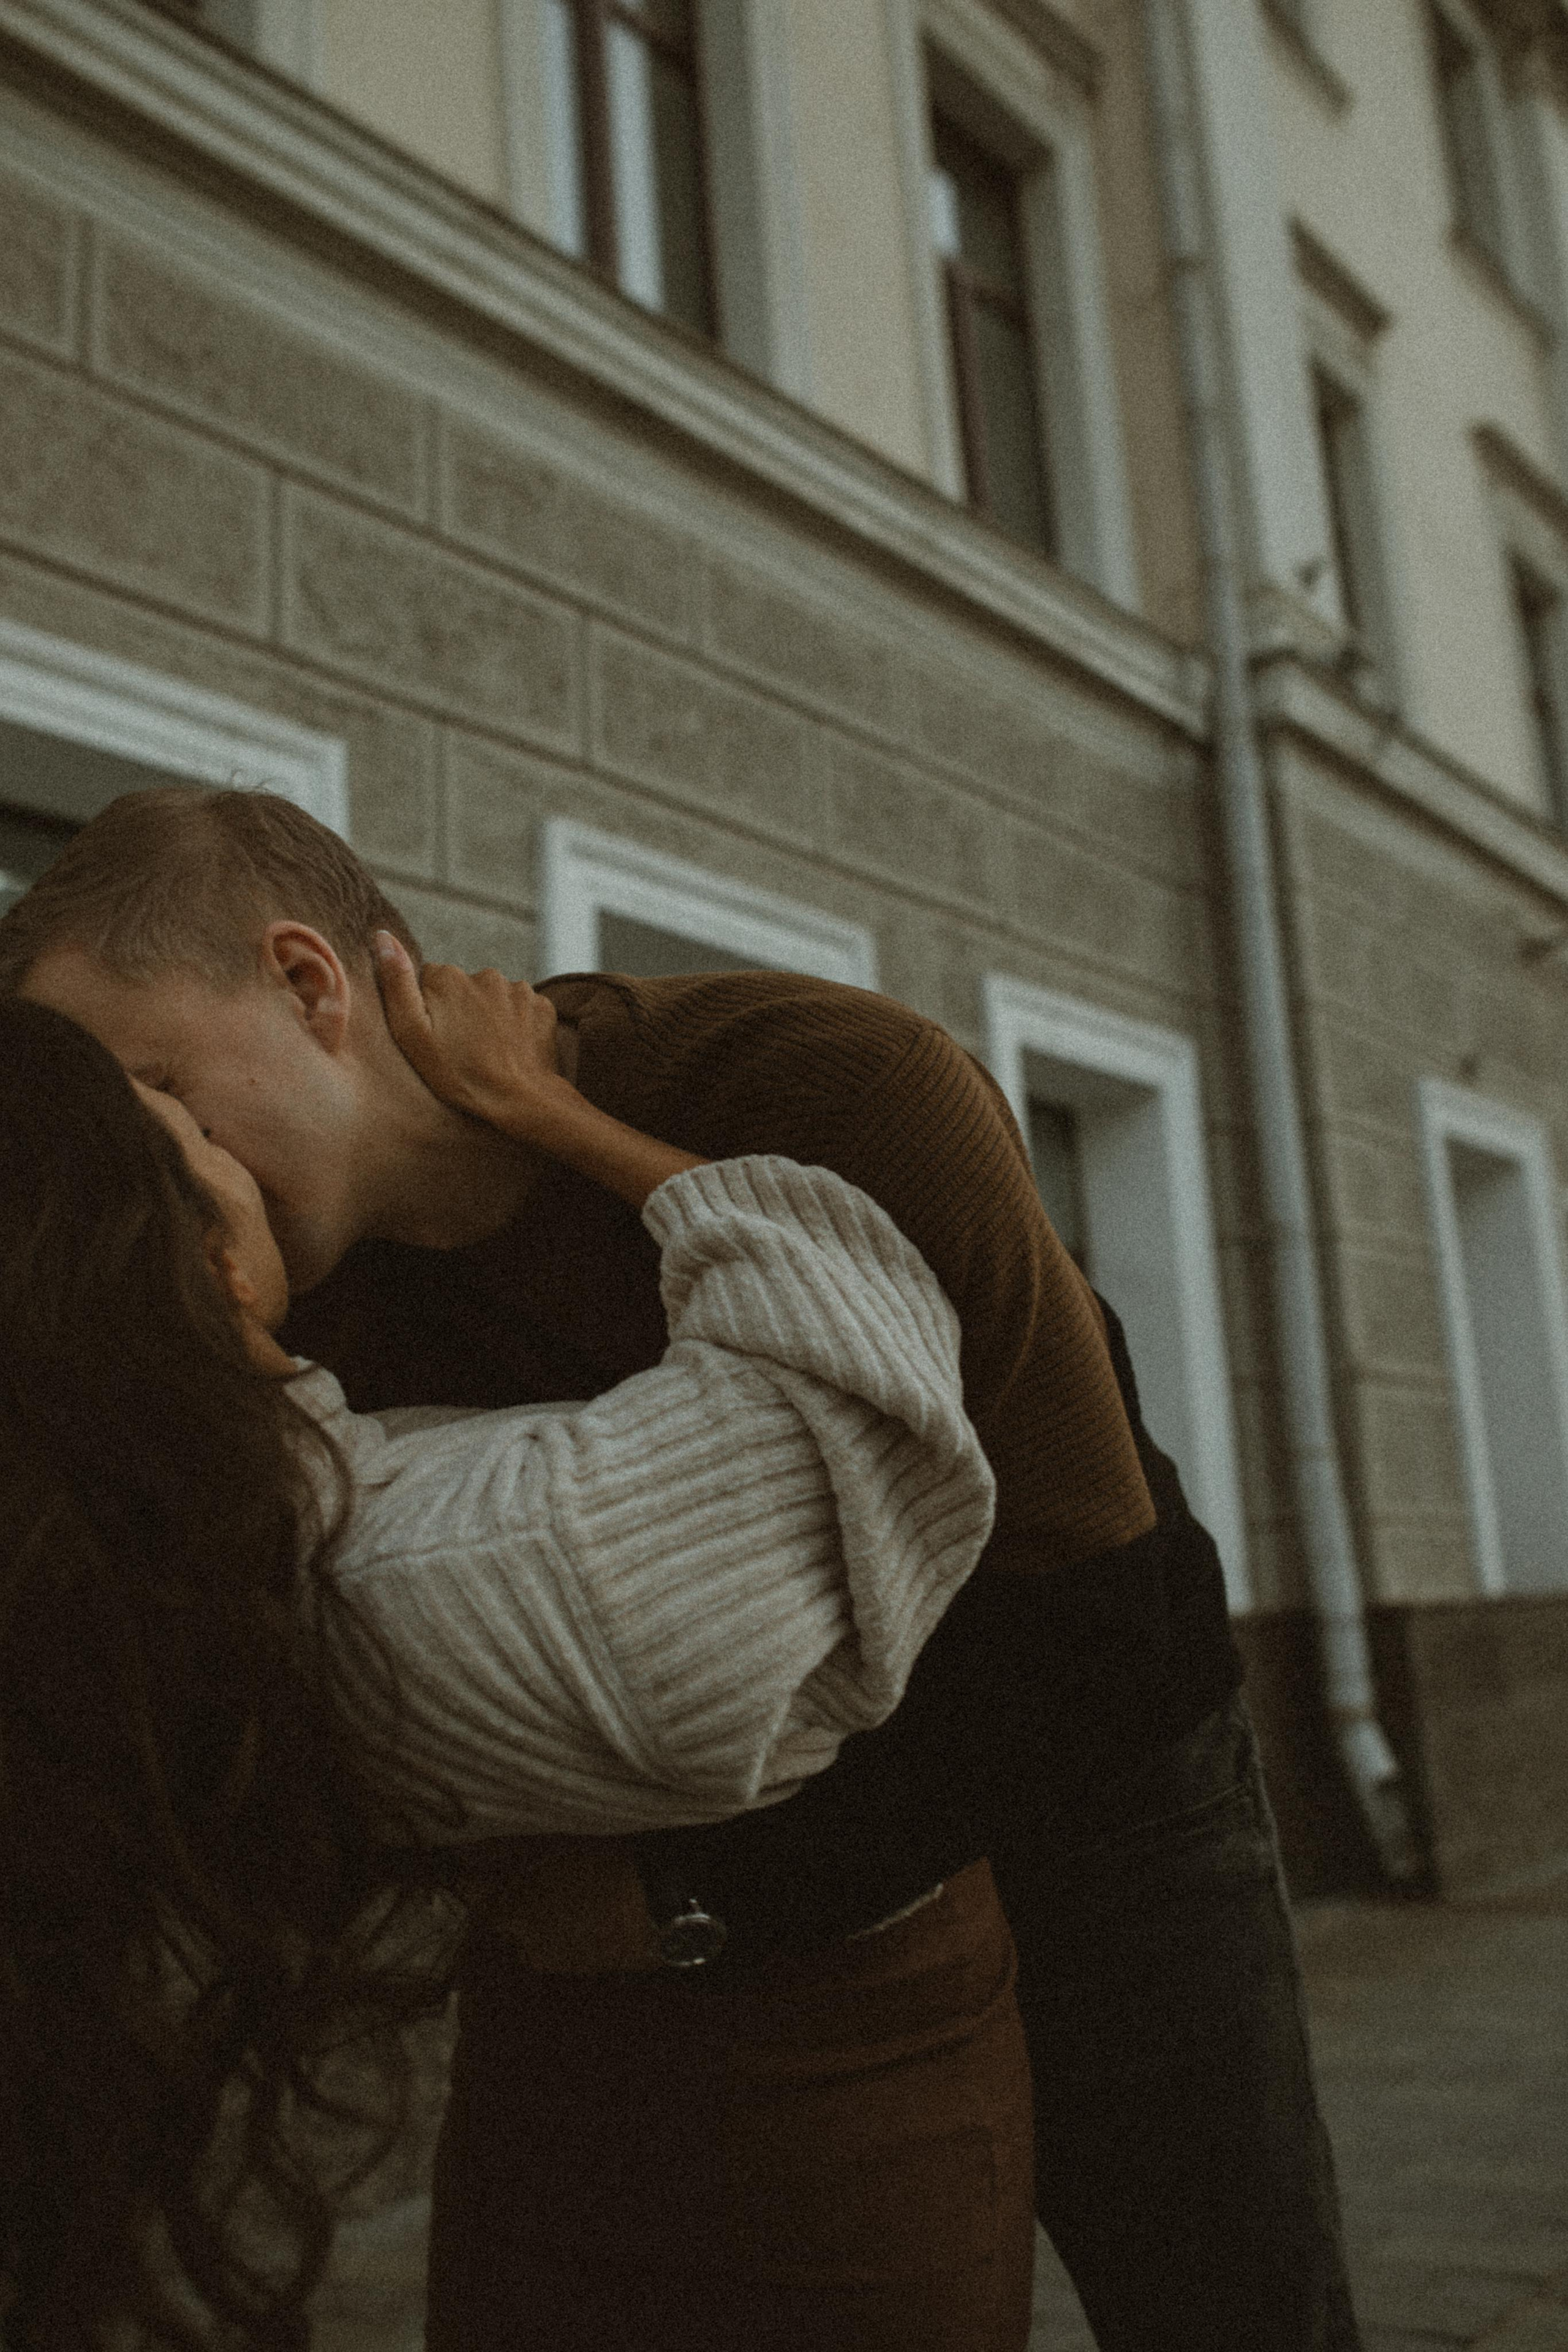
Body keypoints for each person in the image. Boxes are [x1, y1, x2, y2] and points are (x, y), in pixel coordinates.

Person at [3, 785, 1363, 2352]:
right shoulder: (279, 1295)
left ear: (309, 982)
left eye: (155, 1093)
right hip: (681, 1953)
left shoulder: (827, 1084)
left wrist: (686, 1896)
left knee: (1228, 2294)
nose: (146, 1176)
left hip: (1099, 1807)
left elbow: (1100, 1642)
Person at [0, 983, 1025, 2352]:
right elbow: (858, 1361)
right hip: (823, 2100)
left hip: (611, 2068)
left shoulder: (179, 1556)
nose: (228, 1141)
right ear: (204, 1259)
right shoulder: (471, 1561)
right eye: (186, 1126)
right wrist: (555, 1110)